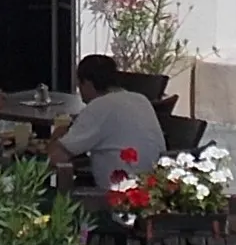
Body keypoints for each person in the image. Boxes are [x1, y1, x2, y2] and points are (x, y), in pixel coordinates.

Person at [49, 55, 165, 189]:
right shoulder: (140, 99)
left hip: (116, 195)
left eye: (79, 84)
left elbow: (56, 158)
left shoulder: (99, 106)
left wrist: (58, 132)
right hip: (153, 190)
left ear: (87, 82)